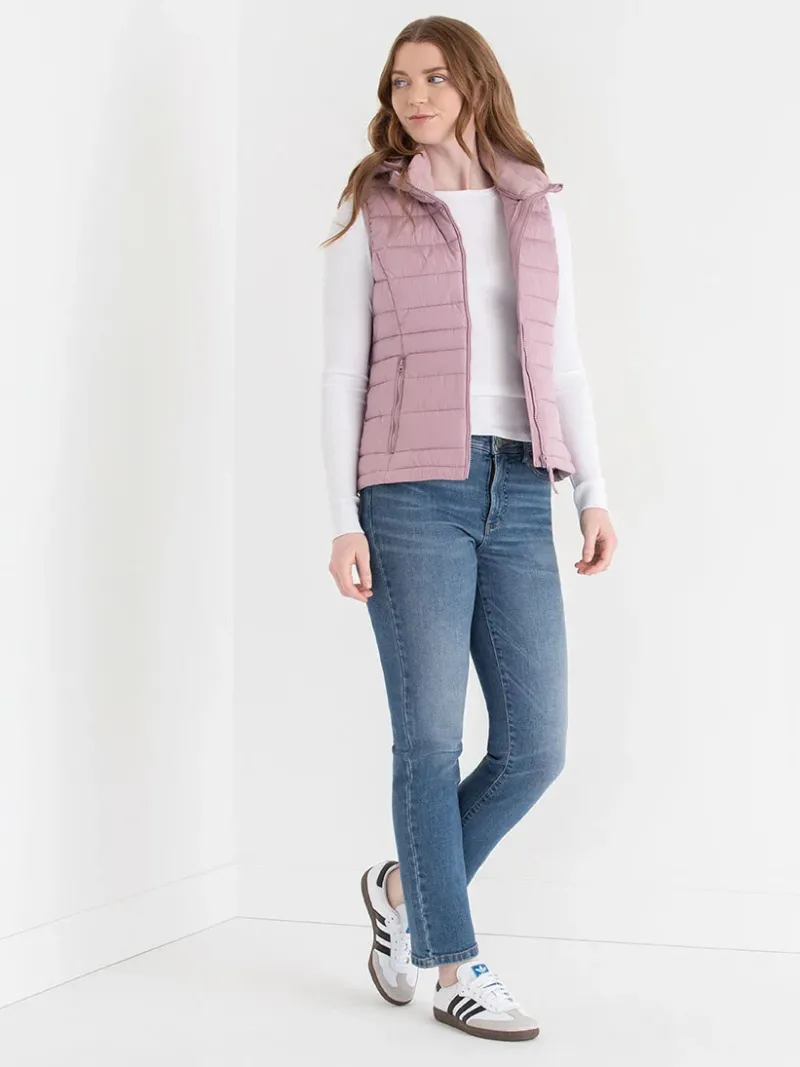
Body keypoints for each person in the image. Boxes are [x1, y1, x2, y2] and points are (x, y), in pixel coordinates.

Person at [319, 15, 618, 1042]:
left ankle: (402, 887)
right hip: (409, 495)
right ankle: (454, 961)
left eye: (435, 78)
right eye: (400, 81)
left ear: (475, 85)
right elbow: (340, 370)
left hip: (520, 486)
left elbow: (564, 358)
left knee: (535, 746)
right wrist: (340, 517)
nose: (415, 97)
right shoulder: (373, 206)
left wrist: (591, 490)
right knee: (429, 740)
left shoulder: (534, 204)